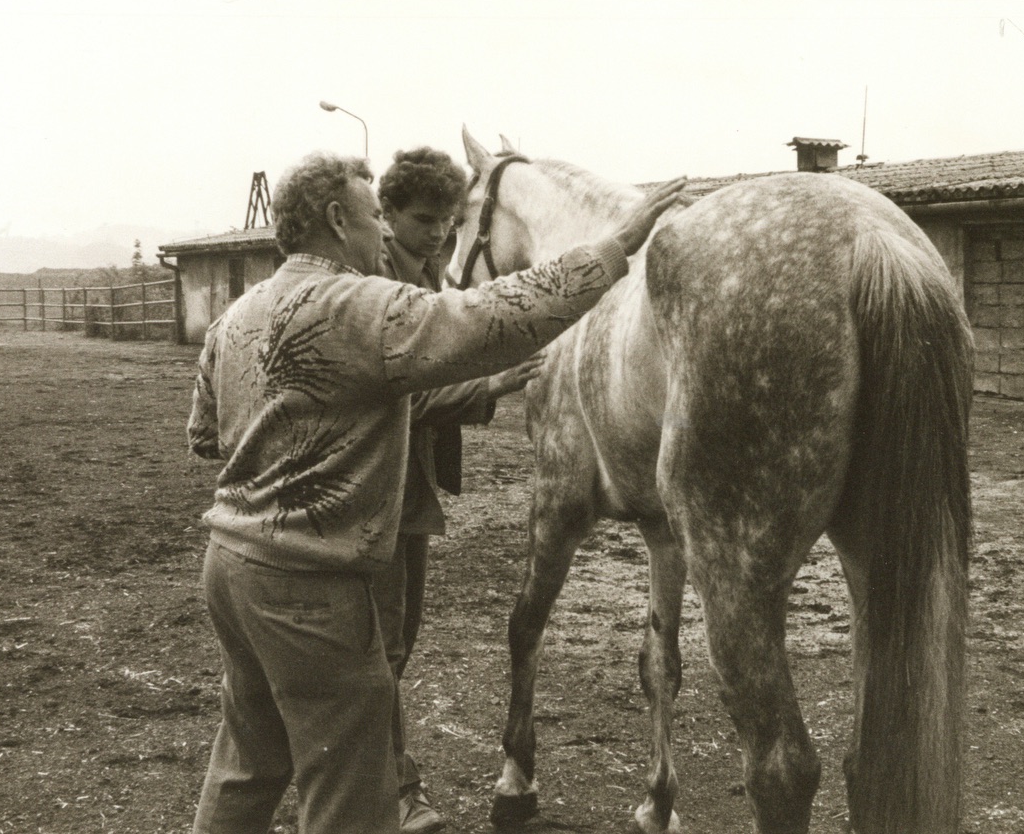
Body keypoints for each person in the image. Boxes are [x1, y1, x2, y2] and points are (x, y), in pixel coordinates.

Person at [187, 150, 685, 834]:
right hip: (313, 585)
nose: (382, 232)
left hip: (230, 567)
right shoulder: (358, 305)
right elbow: (491, 314)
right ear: (336, 220)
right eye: (373, 216)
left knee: (248, 762)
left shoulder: (237, 316)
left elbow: (205, 435)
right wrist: (612, 247)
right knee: (349, 788)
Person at [373, 146, 540, 833]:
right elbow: (398, 394)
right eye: (423, 219)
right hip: (374, 485)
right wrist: (489, 385)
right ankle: (395, 793)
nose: (439, 232)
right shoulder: (380, 278)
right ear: (386, 213)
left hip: (407, 484)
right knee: (383, 647)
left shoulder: (425, 270)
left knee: (395, 644)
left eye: (447, 219)